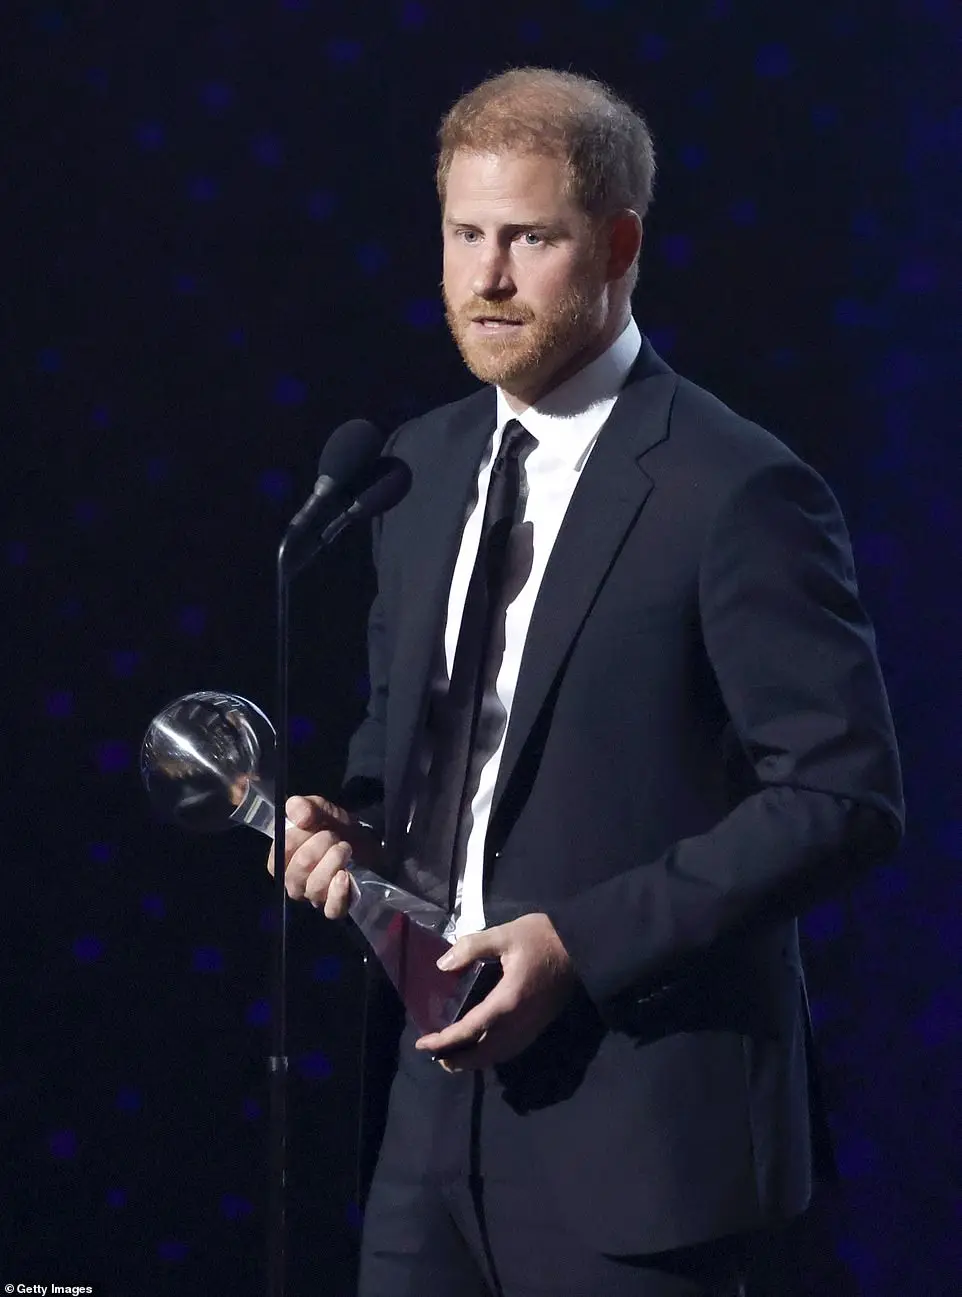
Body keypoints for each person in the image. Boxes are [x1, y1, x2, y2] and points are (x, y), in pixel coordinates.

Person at [270, 68, 904, 1297]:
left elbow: (843, 797)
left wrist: (577, 942)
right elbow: (405, 739)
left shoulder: (736, 490)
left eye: (528, 238)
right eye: (463, 234)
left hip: (640, 1128)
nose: (485, 278)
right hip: (424, 1115)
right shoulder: (418, 463)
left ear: (617, 244)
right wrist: (347, 820)